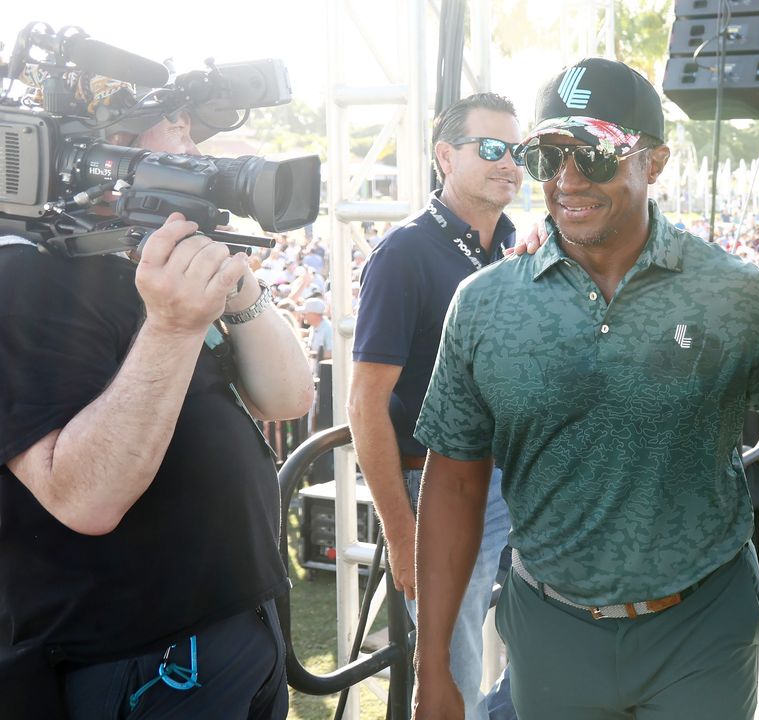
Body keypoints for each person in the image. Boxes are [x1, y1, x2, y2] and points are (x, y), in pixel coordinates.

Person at [411, 57, 759, 720]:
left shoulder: (732, 292)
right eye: (546, 156)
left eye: (593, 155)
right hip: (550, 628)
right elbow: (452, 482)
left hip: (701, 626)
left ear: (654, 162)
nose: (567, 180)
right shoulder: (482, 304)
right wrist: (433, 672)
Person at [0, 99, 315, 717]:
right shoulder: (23, 277)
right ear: (98, 142)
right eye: (177, 134)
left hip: (240, 623)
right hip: (139, 659)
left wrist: (238, 284)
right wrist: (171, 328)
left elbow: (289, 397)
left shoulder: (134, 260)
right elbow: (83, 498)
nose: (197, 153)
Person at [347, 92, 521, 720]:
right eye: (492, 148)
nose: (510, 163)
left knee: (551, 636)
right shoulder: (404, 254)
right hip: (440, 486)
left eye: (517, 150)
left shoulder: (511, 248)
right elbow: (364, 404)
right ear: (446, 155)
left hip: (517, 481)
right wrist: (400, 533)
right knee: (452, 674)